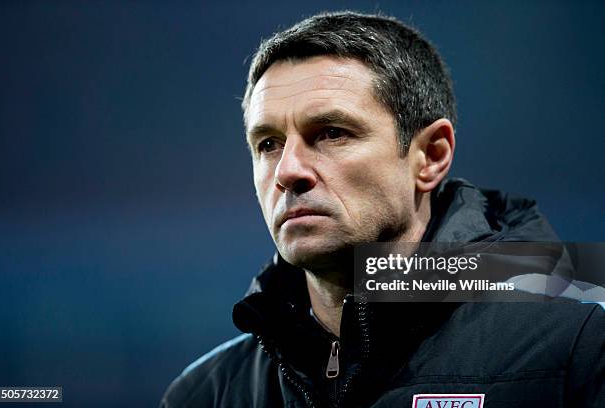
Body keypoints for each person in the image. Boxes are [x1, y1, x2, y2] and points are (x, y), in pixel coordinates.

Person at [161, 11, 604, 407]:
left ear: (430, 156)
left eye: (331, 133)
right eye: (268, 144)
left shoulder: (579, 340)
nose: (287, 171)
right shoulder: (204, 393)